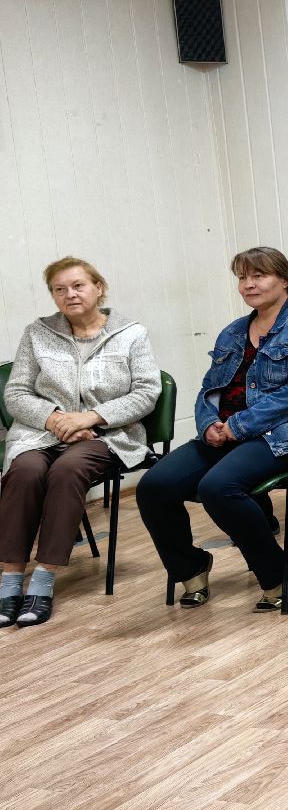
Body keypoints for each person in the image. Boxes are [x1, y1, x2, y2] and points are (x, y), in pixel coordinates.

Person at [137, 247, 288, 612]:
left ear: (283, 280)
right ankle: (191, 567)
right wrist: (208, 424)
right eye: (243, 277)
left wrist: (239, 426)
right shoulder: (233, 332)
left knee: (218, 487)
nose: (248, 284)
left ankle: (275, 570)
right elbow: (208, 389)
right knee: (153, 486)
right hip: (226, 432)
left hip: (285, 435)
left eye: (259, 275)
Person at [0, 258, 160, 627]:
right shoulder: (37, 333)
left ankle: (43, 580)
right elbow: (16, 393)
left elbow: (146, 393)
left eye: (78, 286)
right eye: (60, 289)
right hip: (42, 432)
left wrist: (90, 418)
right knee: (24, 471)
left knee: (68, 469)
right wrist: (57, 420)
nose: (69, 294)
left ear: (98, 288)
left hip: (108, 434)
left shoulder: (131, 333)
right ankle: (10, 580)